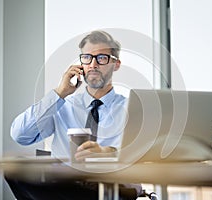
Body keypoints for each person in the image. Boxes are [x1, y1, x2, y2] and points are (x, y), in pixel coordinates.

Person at [7, 30, 142, 200]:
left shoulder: (133, 109)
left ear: (116, 64)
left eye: (101, 58)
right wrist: (60, 93)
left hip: (112, 189)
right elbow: (20, 135)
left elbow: (148, 157)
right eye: (87, 58)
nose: (93, 65)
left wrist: (110, 154)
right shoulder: (61, 106)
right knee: (15, 167)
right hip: (66, 188)